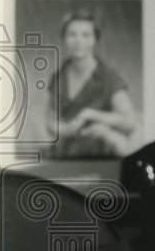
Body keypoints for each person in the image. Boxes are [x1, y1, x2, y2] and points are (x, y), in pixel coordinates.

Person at [45, 10, 139, 158]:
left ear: (95, 40)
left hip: (103, 151)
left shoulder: (108, 77)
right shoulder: (59, 77)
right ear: (64, 39)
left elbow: (130, 122)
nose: (78, 41)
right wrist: (67, 130)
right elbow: (50, 123)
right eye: (72, 34)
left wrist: (92, 115)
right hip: (69, 151)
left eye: (85, 35)